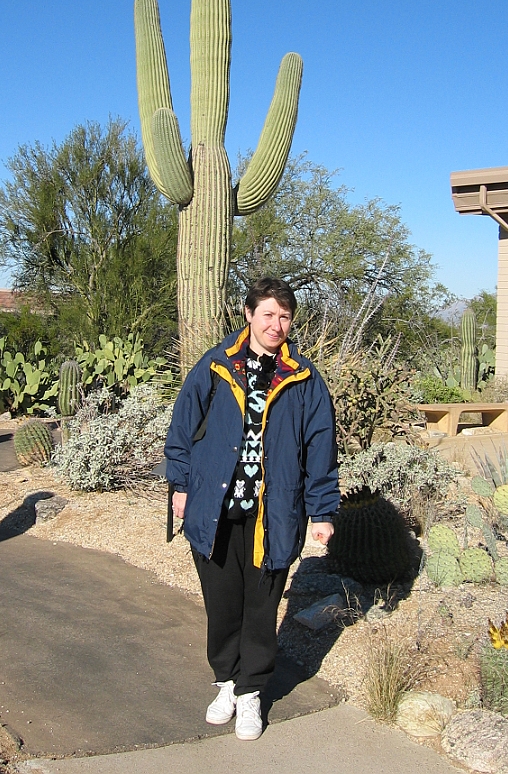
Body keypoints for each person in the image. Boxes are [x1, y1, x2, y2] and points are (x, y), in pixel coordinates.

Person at [164, 277, 339, 741]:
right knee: (222, 605)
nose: (276, 324)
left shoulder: (303, 378)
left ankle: (251, 694)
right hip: (214, 508)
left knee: (260, 607)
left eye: (284, 316)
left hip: (274, 512)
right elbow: (182, 427)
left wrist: (322, 512)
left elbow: (321, 449)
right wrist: (179, 486)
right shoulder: (216, 364)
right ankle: (226, 682)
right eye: (268, 314)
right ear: (248, 314)